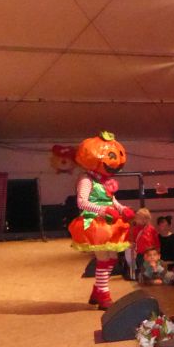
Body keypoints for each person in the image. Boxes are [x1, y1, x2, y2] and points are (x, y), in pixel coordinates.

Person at [68, 131, 134, 309]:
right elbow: (81, 202)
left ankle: (97, 290)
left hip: (109, 222)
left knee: (112, 257)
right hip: (95, 223)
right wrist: (103, 210)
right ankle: (104, 295)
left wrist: (122, 209)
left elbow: (112, 200)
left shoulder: (105, 181)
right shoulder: (86, 179)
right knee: (104, 257)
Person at [127, 208, 159, 281]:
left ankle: (150, 280)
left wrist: (157, 252)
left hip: (151, 254)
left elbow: (156, 241)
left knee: (151, 269)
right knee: (142, 269)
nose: (137, 219)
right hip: (140, 254)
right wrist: (130, 244)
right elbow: (131, 240)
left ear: (145, 219)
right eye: (137, 217)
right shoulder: (135, 229)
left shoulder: (152, 229)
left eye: (139, 217)